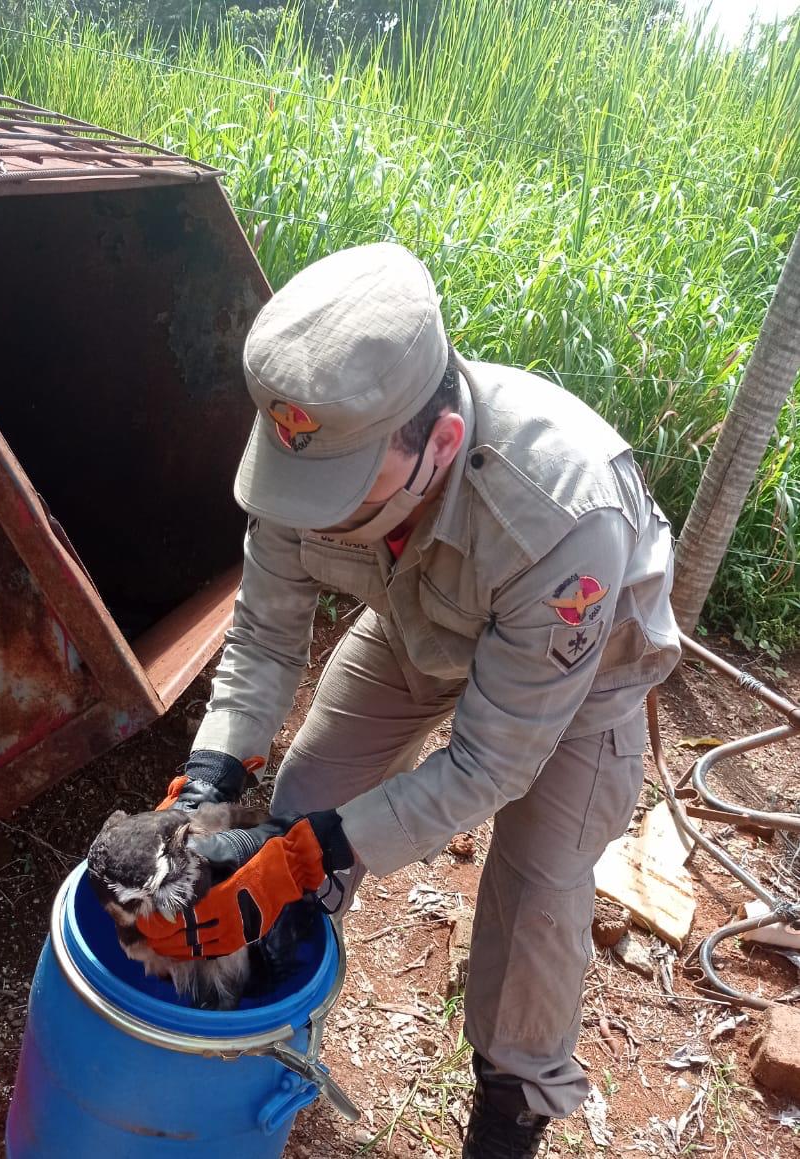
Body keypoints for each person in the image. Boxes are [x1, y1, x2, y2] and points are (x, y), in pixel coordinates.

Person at [140, 243, 680, 1158]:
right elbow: (265, 639)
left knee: (537, 895)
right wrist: (206, 781)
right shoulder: (307, 450)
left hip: (575, 683)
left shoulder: (558, 511)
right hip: (417, 624)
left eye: (345, 502)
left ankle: (509, 1111)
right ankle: (263, 1026)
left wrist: (304, 855)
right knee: (303, 795)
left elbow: (491, 762)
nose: (312, 517)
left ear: (439, 443)